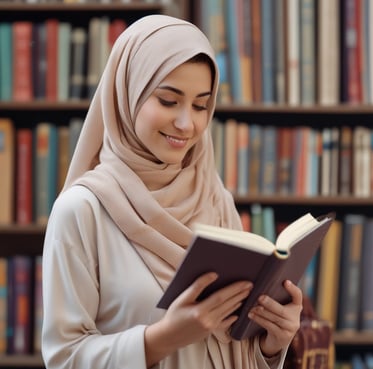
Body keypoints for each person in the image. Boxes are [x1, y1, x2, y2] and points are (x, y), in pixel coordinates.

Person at [41, 14, 303, 369]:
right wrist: (161, 339)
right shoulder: (82, 210)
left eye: (200, 106)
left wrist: (272, 343)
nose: (186, 123)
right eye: (167, 100)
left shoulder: (214, 197)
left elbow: (231, 348)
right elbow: (63, 358)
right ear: (127, 94)